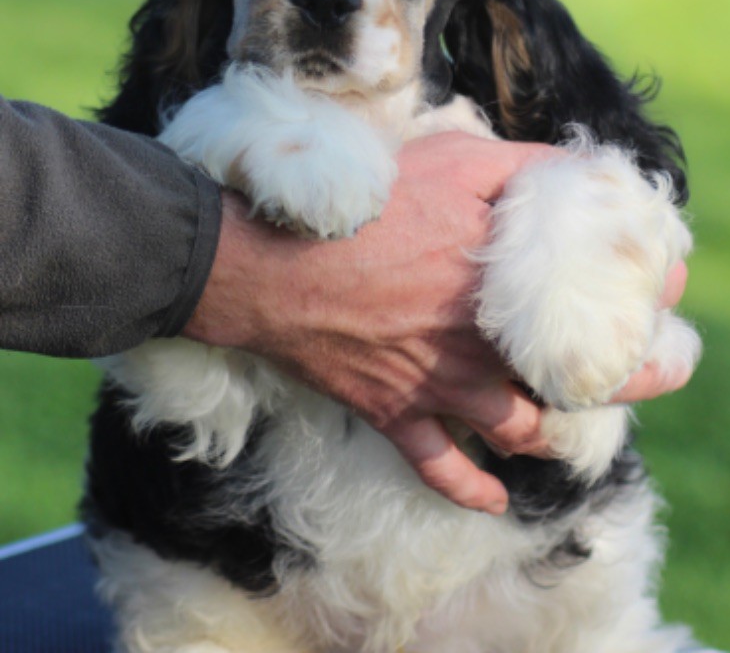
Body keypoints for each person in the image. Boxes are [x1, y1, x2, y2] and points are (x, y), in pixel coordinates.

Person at [0, 97, 690, 516]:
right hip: (233, 580)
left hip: (535, 580)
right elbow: (172, 391)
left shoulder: (548, 186)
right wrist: (246, 269)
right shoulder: (235, 130)